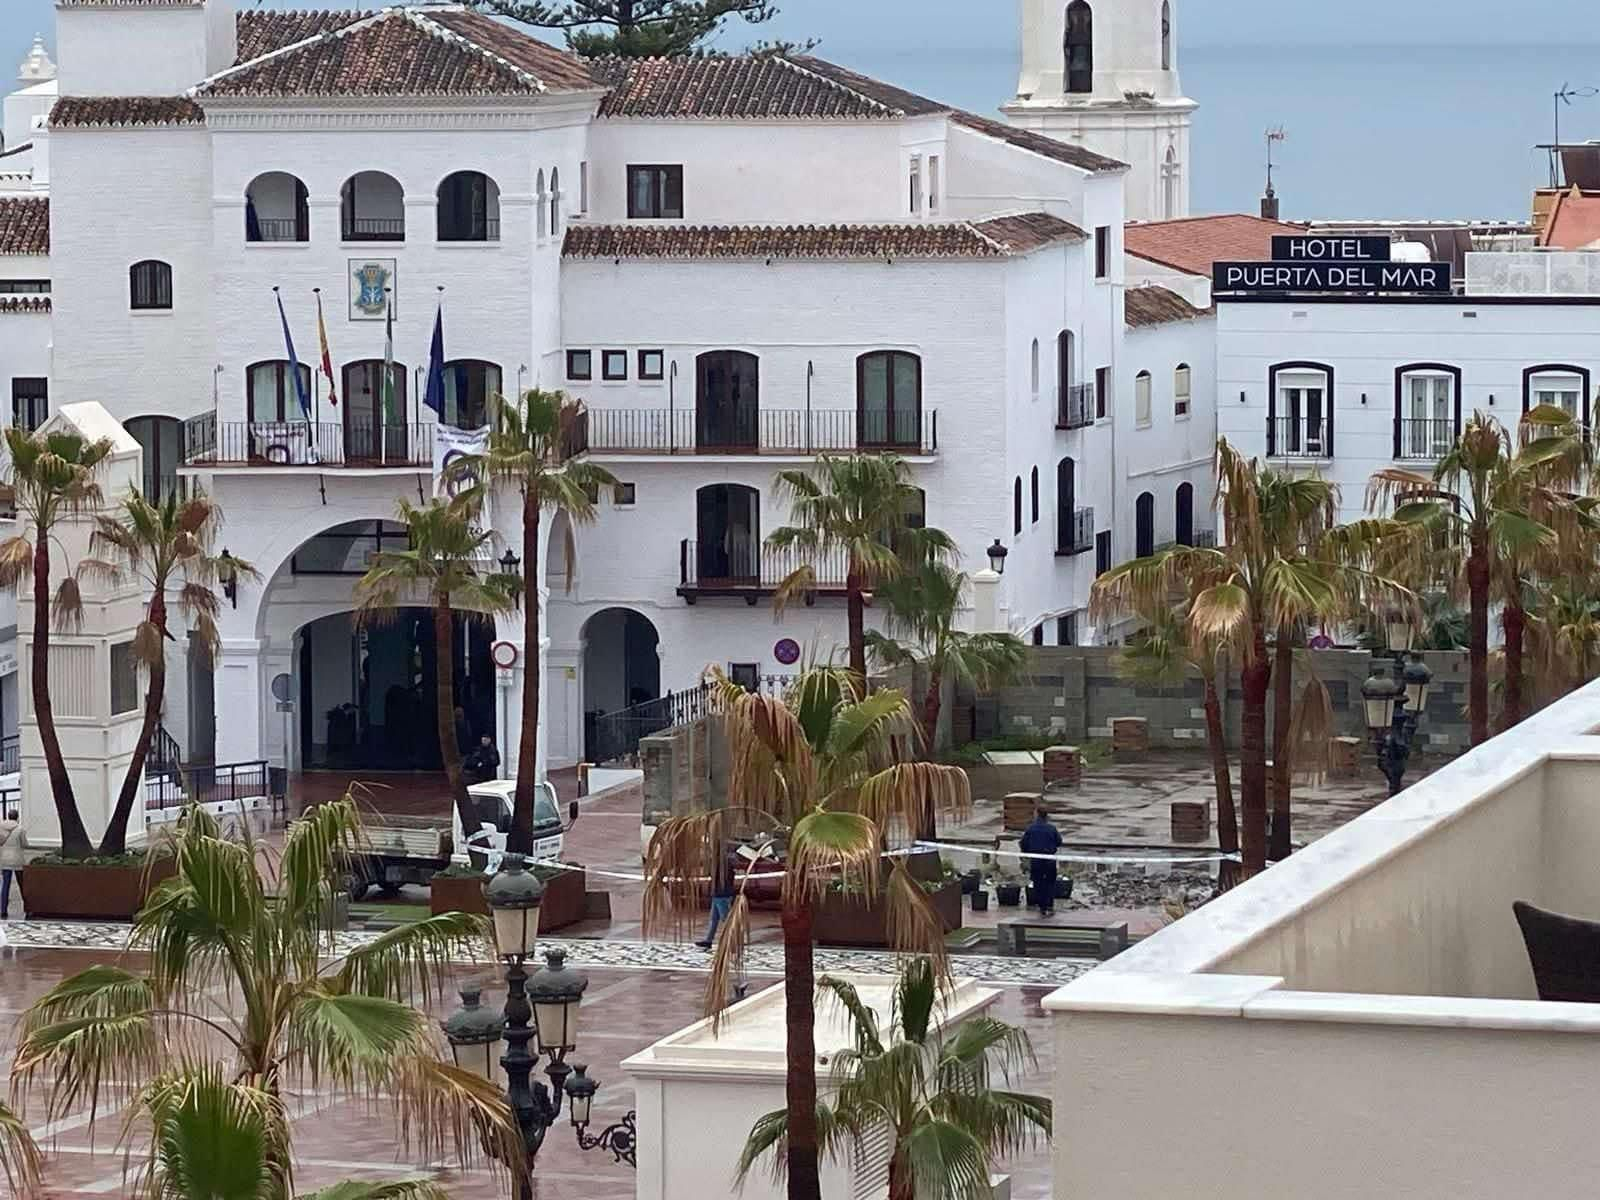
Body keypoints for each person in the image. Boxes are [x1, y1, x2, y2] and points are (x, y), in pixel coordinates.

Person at [1018, 805, 1063, 918]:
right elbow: (1059, 841)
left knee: (1038, 883)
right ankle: (1050, 905)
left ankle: (1042, 906)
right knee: (1050, 882)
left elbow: (1023, 844)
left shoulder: (1031, 829)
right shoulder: (1051, 828)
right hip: (1049, 859)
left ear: (1037, 814)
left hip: (1036, 860)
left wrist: (1027, 853)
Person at [696, 840, 735, 949]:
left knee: (725, 919)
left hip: (721, 894)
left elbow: (712, 874)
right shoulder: (726, 861)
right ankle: (708, 940)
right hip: (719, 894)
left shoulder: (719, 862)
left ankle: (732, 940)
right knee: (714, 919)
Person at [0, 808, 27, 919]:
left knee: (5, 885)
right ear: (17, 817)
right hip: (17, 860)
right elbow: (24, 844)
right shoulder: (20, 829)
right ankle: (27, 907)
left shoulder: (1, 828)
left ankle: (3, 909)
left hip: (5, 859)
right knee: (22, 884)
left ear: (8, 816)